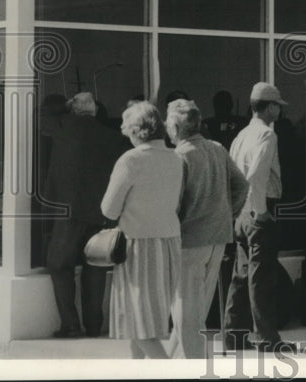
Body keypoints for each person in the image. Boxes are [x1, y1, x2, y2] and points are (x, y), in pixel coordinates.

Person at [166, 99, 248, 359]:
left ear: (177, 127)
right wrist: (227, 213)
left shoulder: (180, 156)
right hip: (217, 236)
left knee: (184, 307)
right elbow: (242, 186)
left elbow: (174, 203)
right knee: (196, 307)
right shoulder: (217, 149)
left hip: (189, 239)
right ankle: (174, 358)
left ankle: (195, 364)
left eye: (169, 124)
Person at [100, 101, 183, 359]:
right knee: (143, 324)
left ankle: (169, 373)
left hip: (137, 246)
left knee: (138, 325)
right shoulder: (176, 159)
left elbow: (109, 209)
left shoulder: (131, 160)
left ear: (137, 131)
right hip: (168, 243)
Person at [40, 91, 126, 338]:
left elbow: (44, 112)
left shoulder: (63, 126)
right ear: (96, 110)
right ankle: (94, 325)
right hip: (99, 212)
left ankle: (70, 324)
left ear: (73, 109)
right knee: (95, 267)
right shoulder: (112, 136)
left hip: (68, 211)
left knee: (59, 265)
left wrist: (63, 106)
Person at [223, 82, 295, 352]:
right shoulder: (267, 135)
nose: (279, 110)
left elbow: (235, 177)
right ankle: (267, 337)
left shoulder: (241, 135)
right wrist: (262, 211)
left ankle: (233, 333)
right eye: (277, 105)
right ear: (269, 106)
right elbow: (257, 175)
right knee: (261, 277)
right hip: (259, 208)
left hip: (241, 211)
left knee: (241, 275)